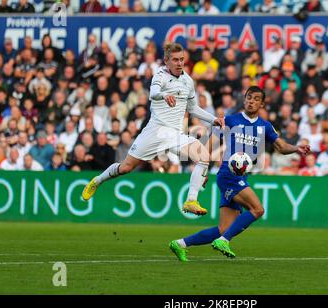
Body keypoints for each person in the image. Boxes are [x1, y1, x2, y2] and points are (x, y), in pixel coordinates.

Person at [169, 86, 310, 261]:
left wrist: (297, 148)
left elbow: (281, 147)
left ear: (262, 104)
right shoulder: (229, 121)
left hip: (241, 176)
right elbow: (210, 146)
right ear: (244, 100)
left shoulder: (265, 126)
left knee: (223, 228)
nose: (251, 101)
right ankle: (224, 241)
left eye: (256, 99)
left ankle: (180, 243)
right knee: (257, 209)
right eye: (249, 97)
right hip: (228, 174)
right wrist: (202, 172)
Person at [82, 43, 224, 216]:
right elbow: (153, 93)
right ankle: (97, 181)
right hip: (155, 131)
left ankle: (191, 201)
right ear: (166, 61)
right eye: (175, 60)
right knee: (126, 168)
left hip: (174, 133)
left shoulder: (188, 81)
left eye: (181, 59)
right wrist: (165, 95)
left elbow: (193, 108)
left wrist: (214, 119)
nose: (179, 63)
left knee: (203, 157)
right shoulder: (160, 75)